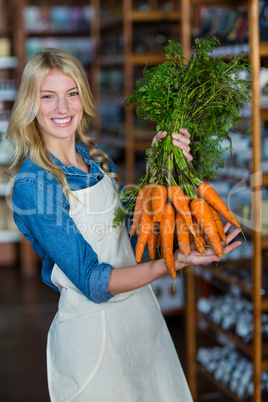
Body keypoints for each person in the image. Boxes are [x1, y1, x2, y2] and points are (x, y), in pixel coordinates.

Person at [7, 48, 241, 402]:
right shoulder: (34, 186)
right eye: (48, 96)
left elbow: (130, 239)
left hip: (142, 321)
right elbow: (93, 281)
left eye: (71, 94)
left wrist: (164, 165)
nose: (63, 108)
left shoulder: (96, 158)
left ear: (83, 98)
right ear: (29, 104)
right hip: (94, 338)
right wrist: (175, 260)